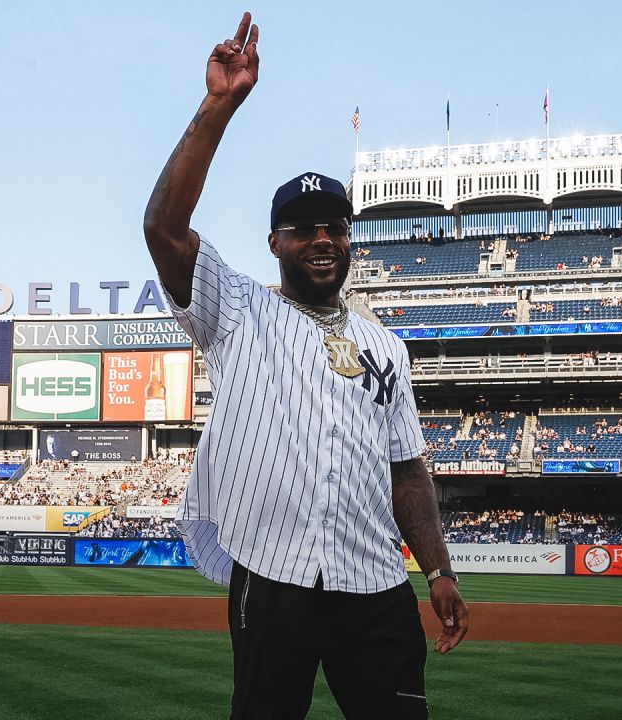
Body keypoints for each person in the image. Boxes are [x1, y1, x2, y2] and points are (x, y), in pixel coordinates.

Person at [143, 13, 467, 718]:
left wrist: (437, 568)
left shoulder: (385, 346)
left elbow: (407, 469)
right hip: (275, 577)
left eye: (336, 227)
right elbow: (163, 229)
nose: (323, 239)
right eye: (304, 228)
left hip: (377, 585)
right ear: (275, 243)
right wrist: (218, 106)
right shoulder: (237, 310)